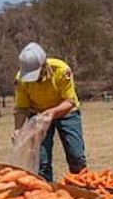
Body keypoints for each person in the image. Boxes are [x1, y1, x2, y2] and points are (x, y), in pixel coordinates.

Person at [13, 42, 86, 182]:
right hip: (38, 116)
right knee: (42, 161)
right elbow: (21, 107)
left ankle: (82, 187)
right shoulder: (20, 79)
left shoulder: (61, 70)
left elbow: (69, 102)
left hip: (66, 112)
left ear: (44, 65)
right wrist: (18, 130)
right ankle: (46, 190)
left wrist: (52, 112)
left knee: (76, 156)